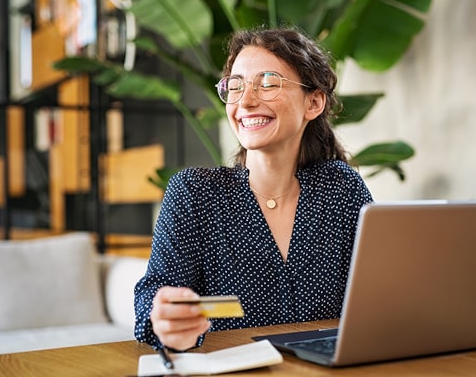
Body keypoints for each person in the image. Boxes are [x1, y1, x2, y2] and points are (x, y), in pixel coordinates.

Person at [134, 26, 374, 352]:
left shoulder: (341, 189)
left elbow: (379, 295)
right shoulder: (194, 194)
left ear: (313, 102)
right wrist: (162, 316)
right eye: (235, 86)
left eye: (268, 83)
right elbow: (154, 294)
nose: (246, 101)